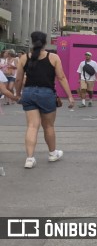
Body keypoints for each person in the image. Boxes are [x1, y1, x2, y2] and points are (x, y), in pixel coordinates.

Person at [14, 31, 75, 169]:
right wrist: (70, 96)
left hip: (28, 93)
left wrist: (18, 94)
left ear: (32, 41)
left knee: (32, 126)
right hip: (46, 94)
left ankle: (29, 159)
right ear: (45, 42)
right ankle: (53, 153)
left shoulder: (24, 58)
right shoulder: (53, 57)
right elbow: (61, 78)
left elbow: (18, 79)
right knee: (48, 126)